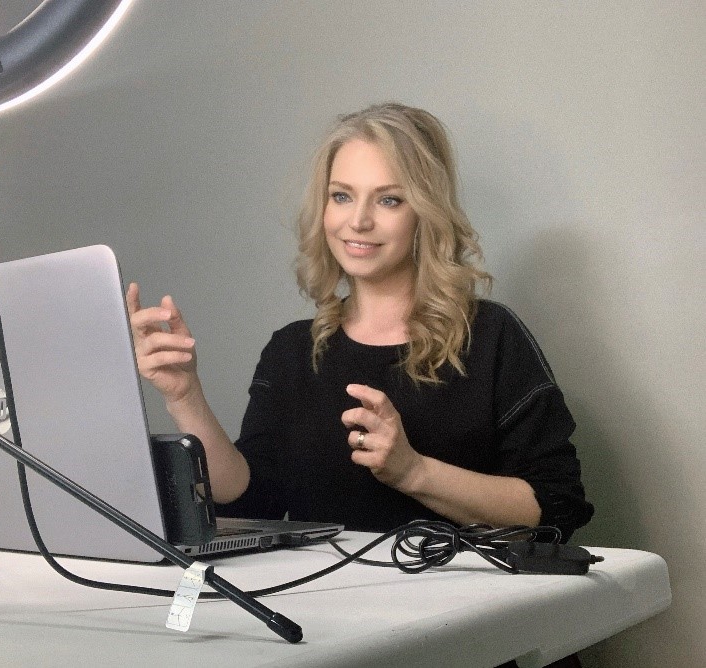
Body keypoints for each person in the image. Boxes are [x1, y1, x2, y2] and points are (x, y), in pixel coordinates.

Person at [126, 102, 593, 542]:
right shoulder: (292, 351)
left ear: (424, 214)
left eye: (389, 200)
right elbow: (251, 501)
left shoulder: (491, 337)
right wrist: (185, 397)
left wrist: (414, 472)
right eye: (342, 196)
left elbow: (555, 505)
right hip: (330, 619)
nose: (358, 221)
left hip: (464, 615)